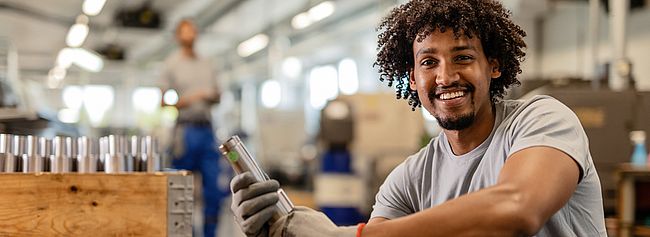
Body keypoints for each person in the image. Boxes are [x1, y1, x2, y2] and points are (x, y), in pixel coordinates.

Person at [229, 0, 607, 236]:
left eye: (462, 57)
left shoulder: (542, 120)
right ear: (412, 78)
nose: (445, 77)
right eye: (429, 62)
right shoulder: (409, 178)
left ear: (493, 66)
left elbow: (517, 209)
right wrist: (277, 225)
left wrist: (348, 235)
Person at [161, 18, 224, 237]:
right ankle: (187, 234)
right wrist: (191, 98)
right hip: (184, 133)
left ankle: (209, 234)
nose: (190, 34)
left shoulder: (208, 64)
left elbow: (218, 95)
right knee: (181, 191)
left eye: (193, 31)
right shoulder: (171, 65)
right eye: (185, 31)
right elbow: (164, 103)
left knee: (213, 192)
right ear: (178, 36)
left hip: (207, 131)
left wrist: (212, 95)